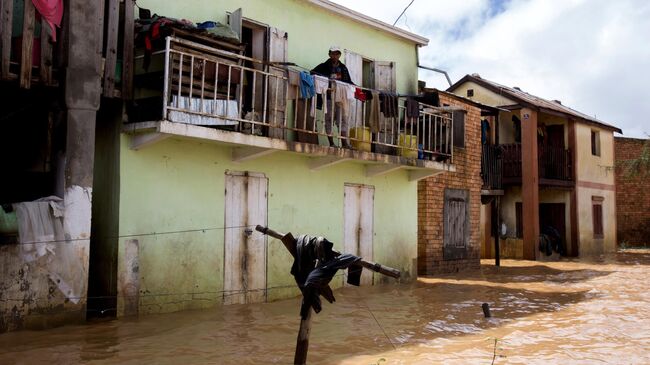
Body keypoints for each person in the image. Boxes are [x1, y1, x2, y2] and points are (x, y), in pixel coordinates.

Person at [311, 46, 354, 148]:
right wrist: (324, 80)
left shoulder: (343, 68)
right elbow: (312, 73)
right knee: (329, 119)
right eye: (333, 53)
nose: (335, 56)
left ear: (339, 55)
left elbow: (348, 81)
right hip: (329, 97)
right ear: (329, 54)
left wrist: (357, 89)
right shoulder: (324, 66)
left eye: (337, 53)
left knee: (343, 120)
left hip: (341, 98)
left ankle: (344, 143)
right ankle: (331, 143)